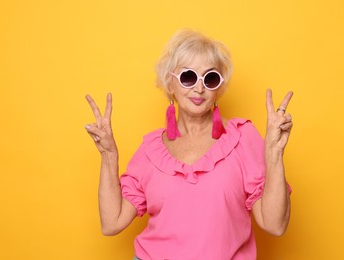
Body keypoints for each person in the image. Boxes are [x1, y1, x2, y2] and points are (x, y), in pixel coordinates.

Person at [84, 29, 293, 259]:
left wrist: (274, 154)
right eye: (188, 77)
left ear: (218, 89)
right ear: (170, 84)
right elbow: (111, 222)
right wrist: (108, 155)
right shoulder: (150, 151)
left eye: (210, 78)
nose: (199, 88)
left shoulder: (242, 138)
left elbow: (275, 225)